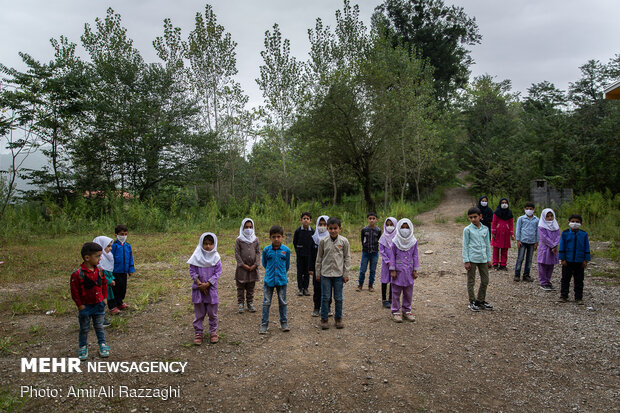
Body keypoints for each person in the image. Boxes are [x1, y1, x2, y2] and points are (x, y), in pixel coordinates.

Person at [70, 242, 109, 360]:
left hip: (99, 305)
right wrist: (80, 305)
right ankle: (83, 346)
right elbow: (74, 291)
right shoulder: (77, 274)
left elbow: (104, 285)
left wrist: (105, 299)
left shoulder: (100, 271)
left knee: (99, 326)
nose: (100, 258)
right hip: (85, 307)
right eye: (97, 256)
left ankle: (102, 344)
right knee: (84, 328)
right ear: (87, 258)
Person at [315, 217, 351, 330]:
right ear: (327, 228)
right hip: (325, 274)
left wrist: (346, 274)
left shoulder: (344, 241)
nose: (333, 231)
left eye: (335, 228)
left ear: (339, 228)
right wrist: (318, 272)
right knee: (325, 297)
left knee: (338, 298)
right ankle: (324, 319)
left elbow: (347, 258)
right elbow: (319, 257)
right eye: (330, 228)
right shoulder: (323, 241)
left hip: (338, 275)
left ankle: (338, 318)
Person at [188, 233, 222, 345]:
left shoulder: (216, 258)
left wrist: (207, 284)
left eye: (210, 244)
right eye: (205, 244)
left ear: (214, 244)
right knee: (199, 313)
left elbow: (218, 272)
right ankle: (198, 333)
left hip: (211, 289)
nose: (208, 246)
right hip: (198, 289)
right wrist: (199, 283)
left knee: (212, 313)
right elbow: (192, 270)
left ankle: (213, 332)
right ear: (201, 243)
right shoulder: (196, 256)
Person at [260, 225, 291, 334]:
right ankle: (264, 324)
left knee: (283, 302)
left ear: (282, 237)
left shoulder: (286, 250)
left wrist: (281, 273)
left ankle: (284, 322)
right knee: (266, 302)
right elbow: (264, 263)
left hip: (282, 280)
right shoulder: (266, 250)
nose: (276, 239)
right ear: (270, 237)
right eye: (274, 237)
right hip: (269, 280)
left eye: (278, 236)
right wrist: (270, 272)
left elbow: (287, 265)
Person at [462, 207, 493, 312]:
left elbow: (487, 245)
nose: (473, 219)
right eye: (471, 217)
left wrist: (489, 259)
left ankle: (480, 300)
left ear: (480, 216)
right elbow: (465, 245)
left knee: (485, 280)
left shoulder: (485, 229)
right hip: (472, 259)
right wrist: (466, 260)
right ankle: (472, 301)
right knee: (471, 281)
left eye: (475, 217)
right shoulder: (467, 230)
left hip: (483, 258)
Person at [388, 218, 419, 322]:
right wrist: (392, 269)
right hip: (398, 271)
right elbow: (392, 256)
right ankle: (395, 311)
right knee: (396, 292)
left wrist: (415, 269)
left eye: (407, 227)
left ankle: (406, 310)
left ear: (411, 228)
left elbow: (415, 256)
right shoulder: (395, 242)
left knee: (408, 292)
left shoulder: (413, 241)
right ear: (398, 228)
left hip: (409, 271)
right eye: (402, 227)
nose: (405, 229)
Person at [558, 214, 591, 304]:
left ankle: (578, 298)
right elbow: (562, 246)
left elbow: (586, 247)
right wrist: (562, 259)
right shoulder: (565, 233)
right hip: (567, 261)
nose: (575, 223)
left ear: (581, 223)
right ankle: (564, 296)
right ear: (569, 222)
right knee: (565, 279)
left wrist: (586, 260)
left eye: (577, 222)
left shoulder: (584, 234)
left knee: (579, 280)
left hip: (579, 261)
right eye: (573, 221)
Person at [234, 218, 260, 313]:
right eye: (246, 227)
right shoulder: (239, 240)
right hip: (242, 269)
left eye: (250, 227)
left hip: (252, 268)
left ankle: (250, 303)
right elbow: (237, 253)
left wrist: (256, 264)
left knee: (251, 287)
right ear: (242, 228)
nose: (248, 229)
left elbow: (258, 252)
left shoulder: (255, 240)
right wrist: (242, 264)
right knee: (240, 286)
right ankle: (240, 303)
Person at [311, 215, 331, 317]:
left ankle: (328, 307)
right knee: (317, 288)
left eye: (324, 224)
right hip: (317, 268)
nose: (322, 226)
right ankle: (316, 307)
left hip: (328, 268)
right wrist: (311, 268)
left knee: (328, 289)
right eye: (320, 224)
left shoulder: (330, 238)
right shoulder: (314, 238)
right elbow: (310, 254)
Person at [93, 236, 116, 326]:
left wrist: (112, 278)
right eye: (108, 246)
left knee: (103, 302)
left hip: (106, 285)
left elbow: (109, 270)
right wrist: (109, 280)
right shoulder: (99, 260)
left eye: (111, 246)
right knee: (100, 302)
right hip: (101, 286)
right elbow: (102, 274)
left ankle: (101, 317)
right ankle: (99, 320)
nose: (110, 248)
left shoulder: (109, 256)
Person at [110, 224, 135, 310]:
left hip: (124, 271)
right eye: (121, 234)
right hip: (115, 271)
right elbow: (110, 258)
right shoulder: (113, 245)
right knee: (115, 289)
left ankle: (120, 303)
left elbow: (130, 258)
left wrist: (131, 269)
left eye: (125, 234)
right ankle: (113, 305)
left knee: (122, 288)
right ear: (116, 235)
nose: (123, 236)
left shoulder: (128, 246)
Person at [537, 208, 561, 291]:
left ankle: (548, 281)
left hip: (553, 249)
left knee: (551, 265)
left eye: (551, 216)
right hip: (545, 248)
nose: (550, 218)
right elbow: (543, 237)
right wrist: (552, 245)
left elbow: (558, 235)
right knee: (543, 265)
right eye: (547, 216)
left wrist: (555, 245)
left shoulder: (555, 225)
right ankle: (543, 282)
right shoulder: (541, 226)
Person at [514, 202, 539, 282]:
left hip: (532, 242)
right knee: (520, 258)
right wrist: (518, 240)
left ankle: (526, 275)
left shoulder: (537, 220)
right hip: (523, 241)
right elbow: (518, 230)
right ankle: (517, 274)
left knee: (529, 259)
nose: (529, 210)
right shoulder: (521, 218)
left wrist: (537, 242)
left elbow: (538, 231)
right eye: (527, 209)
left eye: (531, 209)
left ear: (534, 210)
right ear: (524, 209)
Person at [357, 212, 381, 292]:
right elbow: (362, 240)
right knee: (363, 269)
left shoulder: (378, 230)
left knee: (373, 270)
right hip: (365, 252)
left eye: (373, 219)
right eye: (370, 218)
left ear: (376, 220)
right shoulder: (364, 230)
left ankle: (370, 285)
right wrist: (364, 247)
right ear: (367, 219)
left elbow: (379, 240)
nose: (372, 220)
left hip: (374, 252)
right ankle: (360, 285)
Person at [293, 212, 314, 296]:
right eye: (304, 218)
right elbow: (295, 242)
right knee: (299, 272)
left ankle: (306, 288)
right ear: (301, 220)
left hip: (309, 255)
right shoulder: (298, 231)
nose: (306, 220)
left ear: (310, 221)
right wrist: (298, 250)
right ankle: (300, 288)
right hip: (300, 255)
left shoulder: (312, 231)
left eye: (307, 219)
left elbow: (313, 243)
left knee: (307, 272)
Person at [379, 217, 398, 308]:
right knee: (384, 279)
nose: (389, 227)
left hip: (395, 263)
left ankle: (391, 298)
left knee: (392, 280)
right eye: (388, 225)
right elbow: (381, 250)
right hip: (386, 264)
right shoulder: (383, 236)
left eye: (391, 225)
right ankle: (384, 299)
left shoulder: (398, 237)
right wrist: (387, 261)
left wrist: (394, 261)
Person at [491, 198, 515, 271]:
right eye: (502, 203)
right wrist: (493, 233)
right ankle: (495, 264)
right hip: (498, 233)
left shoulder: (509, 213)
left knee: (505, 249)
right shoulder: (496, 212)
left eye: (505, 203)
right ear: (500, 204)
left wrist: (512, 234)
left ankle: (503, 264)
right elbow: (494, 223)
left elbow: (511, 224)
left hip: (506, 234)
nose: (504, 204)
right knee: (496, 249)